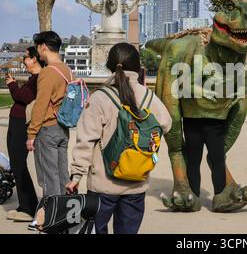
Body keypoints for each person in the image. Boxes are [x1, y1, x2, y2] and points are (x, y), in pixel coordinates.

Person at [66, 43, 172, 234]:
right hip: (136, 184)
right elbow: (167, 124)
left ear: (110, 66)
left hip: (102, 185)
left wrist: (76, 175)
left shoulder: (100, 97)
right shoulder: (149, 97)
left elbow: (86, 140)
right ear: (138, 67)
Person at [26, 31, 73, 199]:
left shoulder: (47, 72)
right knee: (62, 175)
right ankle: (64, 215)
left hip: (47, 130)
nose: (38, 52)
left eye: (38, 47)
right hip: (63, 128)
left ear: (43, 47)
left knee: (48, 178)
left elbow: (41, 105)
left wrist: (31, 134)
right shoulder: (67, 70)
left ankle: (51, 218)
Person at [5, 47, 44, 222]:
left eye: (25, 57)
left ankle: (29, 209)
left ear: (35, 59)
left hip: (22, 125)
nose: (23, 61)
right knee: (15, 163)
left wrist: (12, 84)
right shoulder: (32, 78)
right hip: (16, 122)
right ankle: (25, 205)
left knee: (19, 164)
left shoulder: (39, 78)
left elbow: (25, 97)